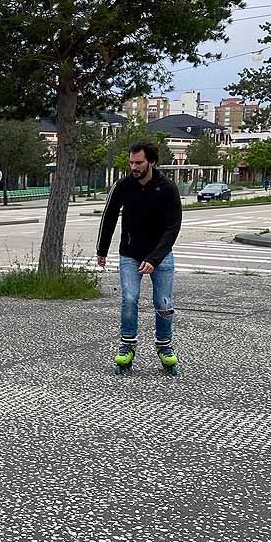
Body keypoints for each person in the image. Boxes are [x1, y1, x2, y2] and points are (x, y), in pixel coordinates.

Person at [96, 139, 183, 373]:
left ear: (151, 162)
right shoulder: (123, 185)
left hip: (160, 256)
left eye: (139, 162)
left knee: (164, 302)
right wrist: (102, 250)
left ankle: (165, 346)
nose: (134, 167)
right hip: (130, 254)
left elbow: (173, 228)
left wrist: (155, 259)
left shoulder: (167, 188)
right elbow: (110, 216)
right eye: (131, 162)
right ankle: (127, 346)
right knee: (129, 298)